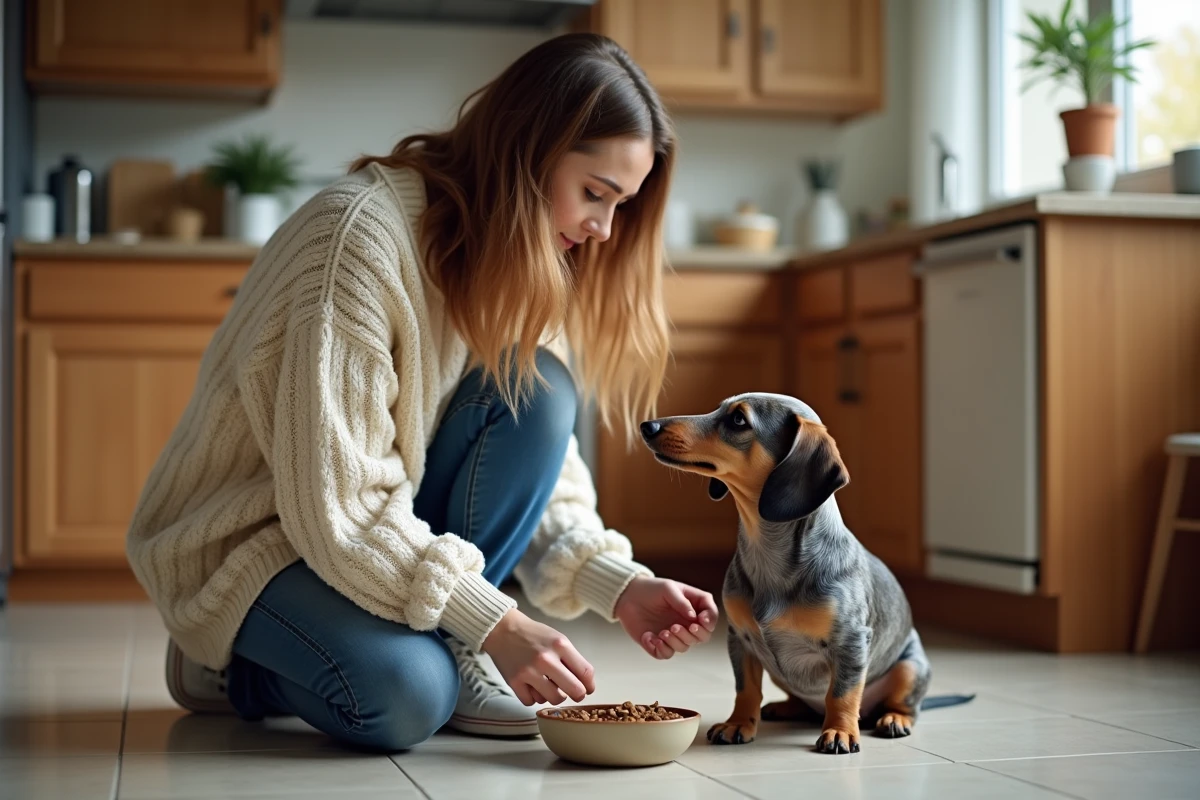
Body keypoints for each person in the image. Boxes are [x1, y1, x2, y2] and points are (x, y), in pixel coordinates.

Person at [126, 32, 720, 753]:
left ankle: (445, 643)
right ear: (525, 153)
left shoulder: (530, 255)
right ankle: (232, 667)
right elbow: (335, 507)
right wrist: (496, 621)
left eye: (621, 205)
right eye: (595, 194)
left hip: (364, 527)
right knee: (409, 697)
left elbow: (540, 465)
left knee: (542, 390)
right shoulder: (356, 239)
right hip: (258, 543)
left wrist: (617, 584)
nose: (602, 229)